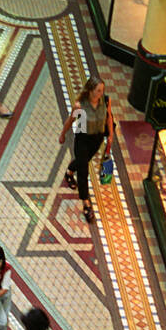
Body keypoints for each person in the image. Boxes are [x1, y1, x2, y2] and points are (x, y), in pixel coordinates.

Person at [58, 75, 115, 224]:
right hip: (83, 140)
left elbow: (109, 117)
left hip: (97, 139)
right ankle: (86, 203)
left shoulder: (106, 100)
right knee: (83, 170)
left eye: (102, 90)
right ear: (90, 90)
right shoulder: (80, 106)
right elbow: (71, 120)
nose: (100, 94)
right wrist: (63, 134)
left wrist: (111, 135)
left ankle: (69, 172)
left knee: (82, 162)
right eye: (98, 90)